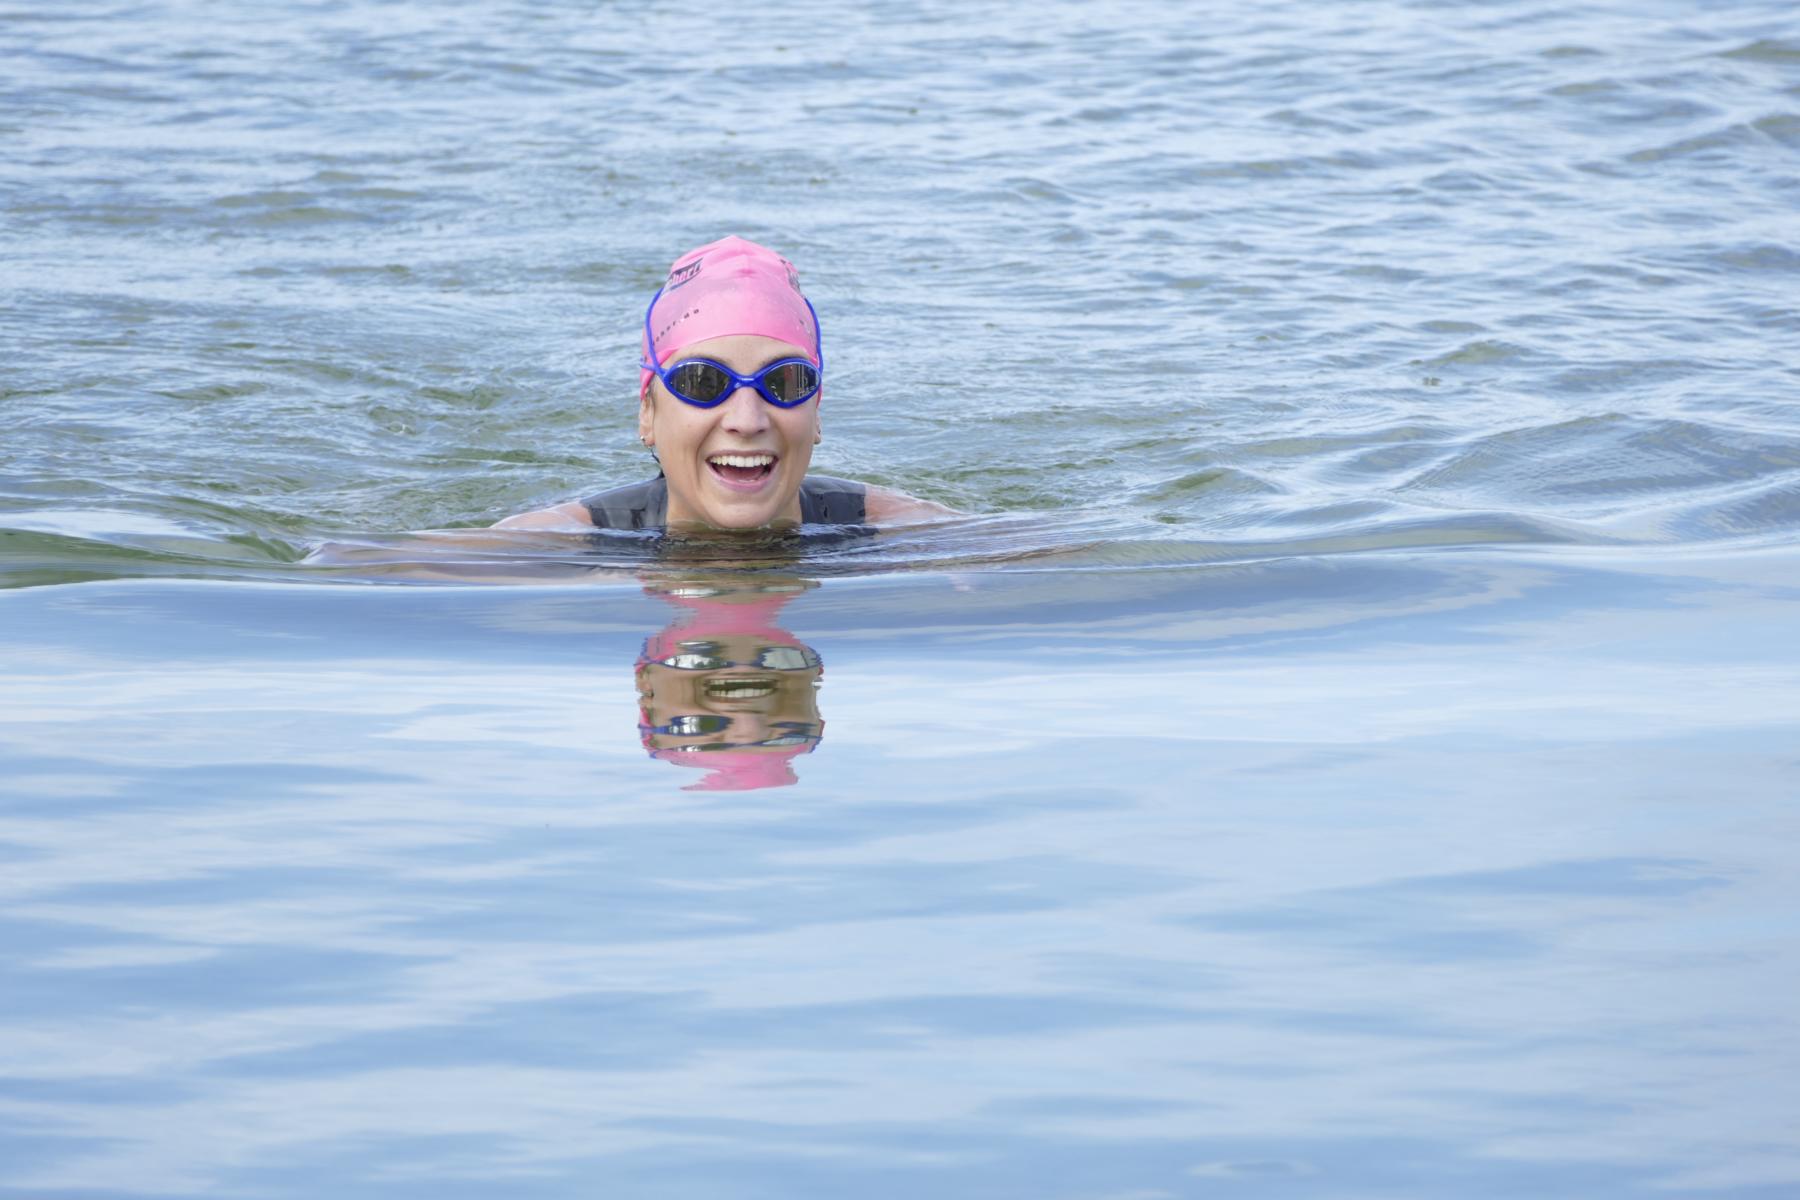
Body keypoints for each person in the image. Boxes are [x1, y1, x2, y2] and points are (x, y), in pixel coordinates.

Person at [497, 235, 952, 533]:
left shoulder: (905, 529)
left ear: (816, 411)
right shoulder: (560, 541)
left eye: (785, 381)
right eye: (702, 382)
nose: (747, 420)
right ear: (648, 413)